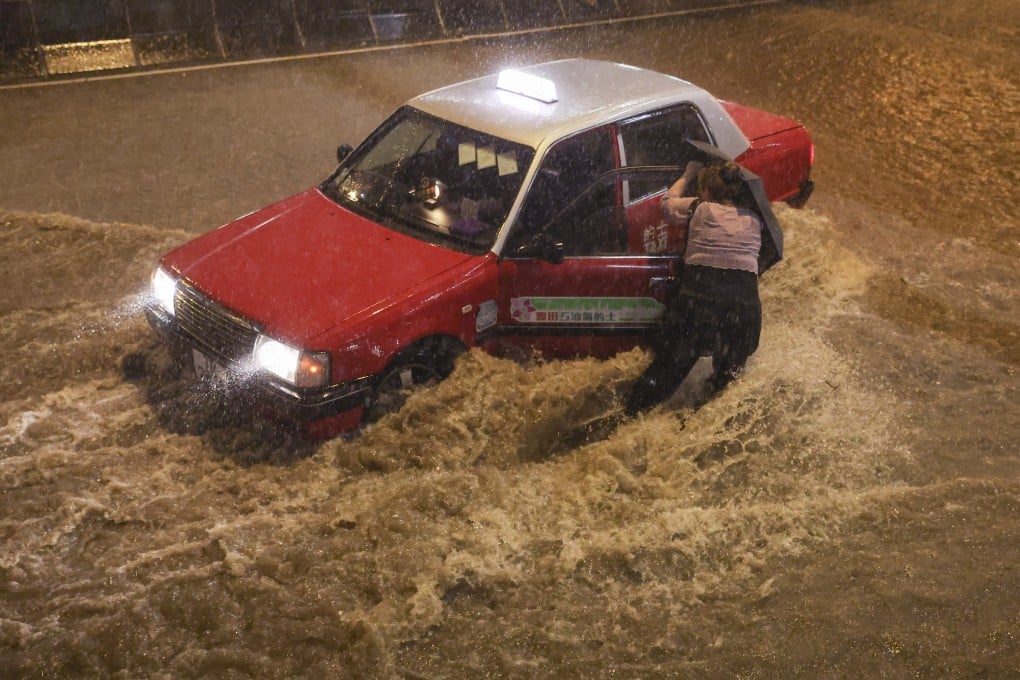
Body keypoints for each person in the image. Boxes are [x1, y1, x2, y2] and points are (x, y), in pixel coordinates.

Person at [625, 159, 764, 416]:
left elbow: (666, 205)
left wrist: (688, 174)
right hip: (744, 312)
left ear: (708, 193)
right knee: (726, 385)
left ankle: (631, 416)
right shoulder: (755, 219)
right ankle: (701, 427)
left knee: (668, 369)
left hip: (700, 305)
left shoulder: (700, 209)